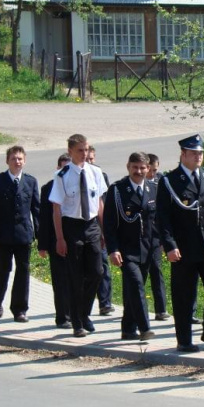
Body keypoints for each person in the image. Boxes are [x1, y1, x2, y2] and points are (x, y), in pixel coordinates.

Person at [157, 134, 204, 352]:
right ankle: (184, 339)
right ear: (183, 155)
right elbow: (163, 217)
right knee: (184, 295)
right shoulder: (169, 181)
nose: (199, 156)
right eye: (194, 153)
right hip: (183, 248)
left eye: (201, 153)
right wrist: (169, 245)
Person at [49, 134, 108, 338]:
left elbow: (99, 203)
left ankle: (84, 312)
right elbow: (56, 208)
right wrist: (59, 238)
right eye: (80, 150)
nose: (84, 154)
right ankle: (77, 322)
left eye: (86, 150)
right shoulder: (62, 175)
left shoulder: (96, 172)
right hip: (72, 226)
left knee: (97, 271)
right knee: (75, 277)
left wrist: (104, 230)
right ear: (71, 151)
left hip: (91, 225)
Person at [104, 152, 157, 341]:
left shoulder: (153, 189)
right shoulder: (117, 190)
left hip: (148, 248)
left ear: (148, 168)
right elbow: (109, 223)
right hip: (126, 249)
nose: (139, 171)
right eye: (135, 167)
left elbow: (157, 220)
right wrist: (113, 249)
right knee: (136, 285)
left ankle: (127, 329)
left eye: (143, 168)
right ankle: (145, 328)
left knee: (133, 289)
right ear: (128, 167)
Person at [0, 146, 40, 322]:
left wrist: (41, 236)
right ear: (7, 161)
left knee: (23, 272)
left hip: (24, 235)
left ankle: (19, 310)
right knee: (1, 272)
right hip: (3, 236)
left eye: (20, 159)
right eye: (13, 159)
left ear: (24, 161)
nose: (17, 162)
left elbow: (36, 210)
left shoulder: (30, 182)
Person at [37, 153, 72, 329]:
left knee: (77, 279)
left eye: (69, 168)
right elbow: (43, 218)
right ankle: (62, 317)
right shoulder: (48, 188)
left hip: (76, 241)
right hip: (55, 241)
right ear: (57, 168)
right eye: (62, 168)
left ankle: (76, 314)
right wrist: (42, 245)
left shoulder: (78, 185)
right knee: (60, 280)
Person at [87, 145, 115, 317]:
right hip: (84, 230)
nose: (89, 162)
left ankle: (105, 303)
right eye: (86, 159)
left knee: (103, 266)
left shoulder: (100, 176)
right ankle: (85, 304)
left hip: (100, 228)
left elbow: (106, 203)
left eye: (91, 158)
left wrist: (107, 230)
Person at [146, 153, 170, 321]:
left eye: (156, 170)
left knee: (157, 271)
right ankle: (133, 309)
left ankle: (161, 309)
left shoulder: (161, 182)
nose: (153, 174)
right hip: (138, 237)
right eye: (151, 170)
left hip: (155, 236)